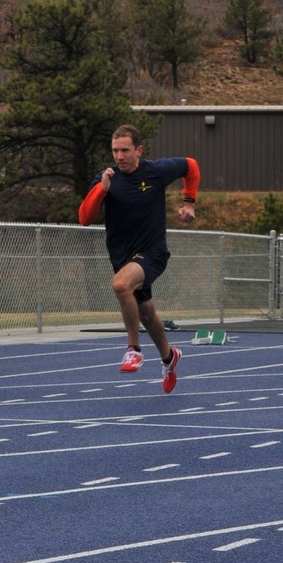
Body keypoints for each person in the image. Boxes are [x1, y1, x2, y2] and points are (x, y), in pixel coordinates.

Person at [78, 124, 200, 393]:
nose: (119, 156)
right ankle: (169, 357)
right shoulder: (105, 178)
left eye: (125, 150)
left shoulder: (156, 171)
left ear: (138, 150)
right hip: (121, 255)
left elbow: (191, 165)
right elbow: (85, 219)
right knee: (147, 312)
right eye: (115, 151)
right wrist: (102, 189)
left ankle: (133, 349)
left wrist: (189, 202)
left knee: (121, 285)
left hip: (153, 252)